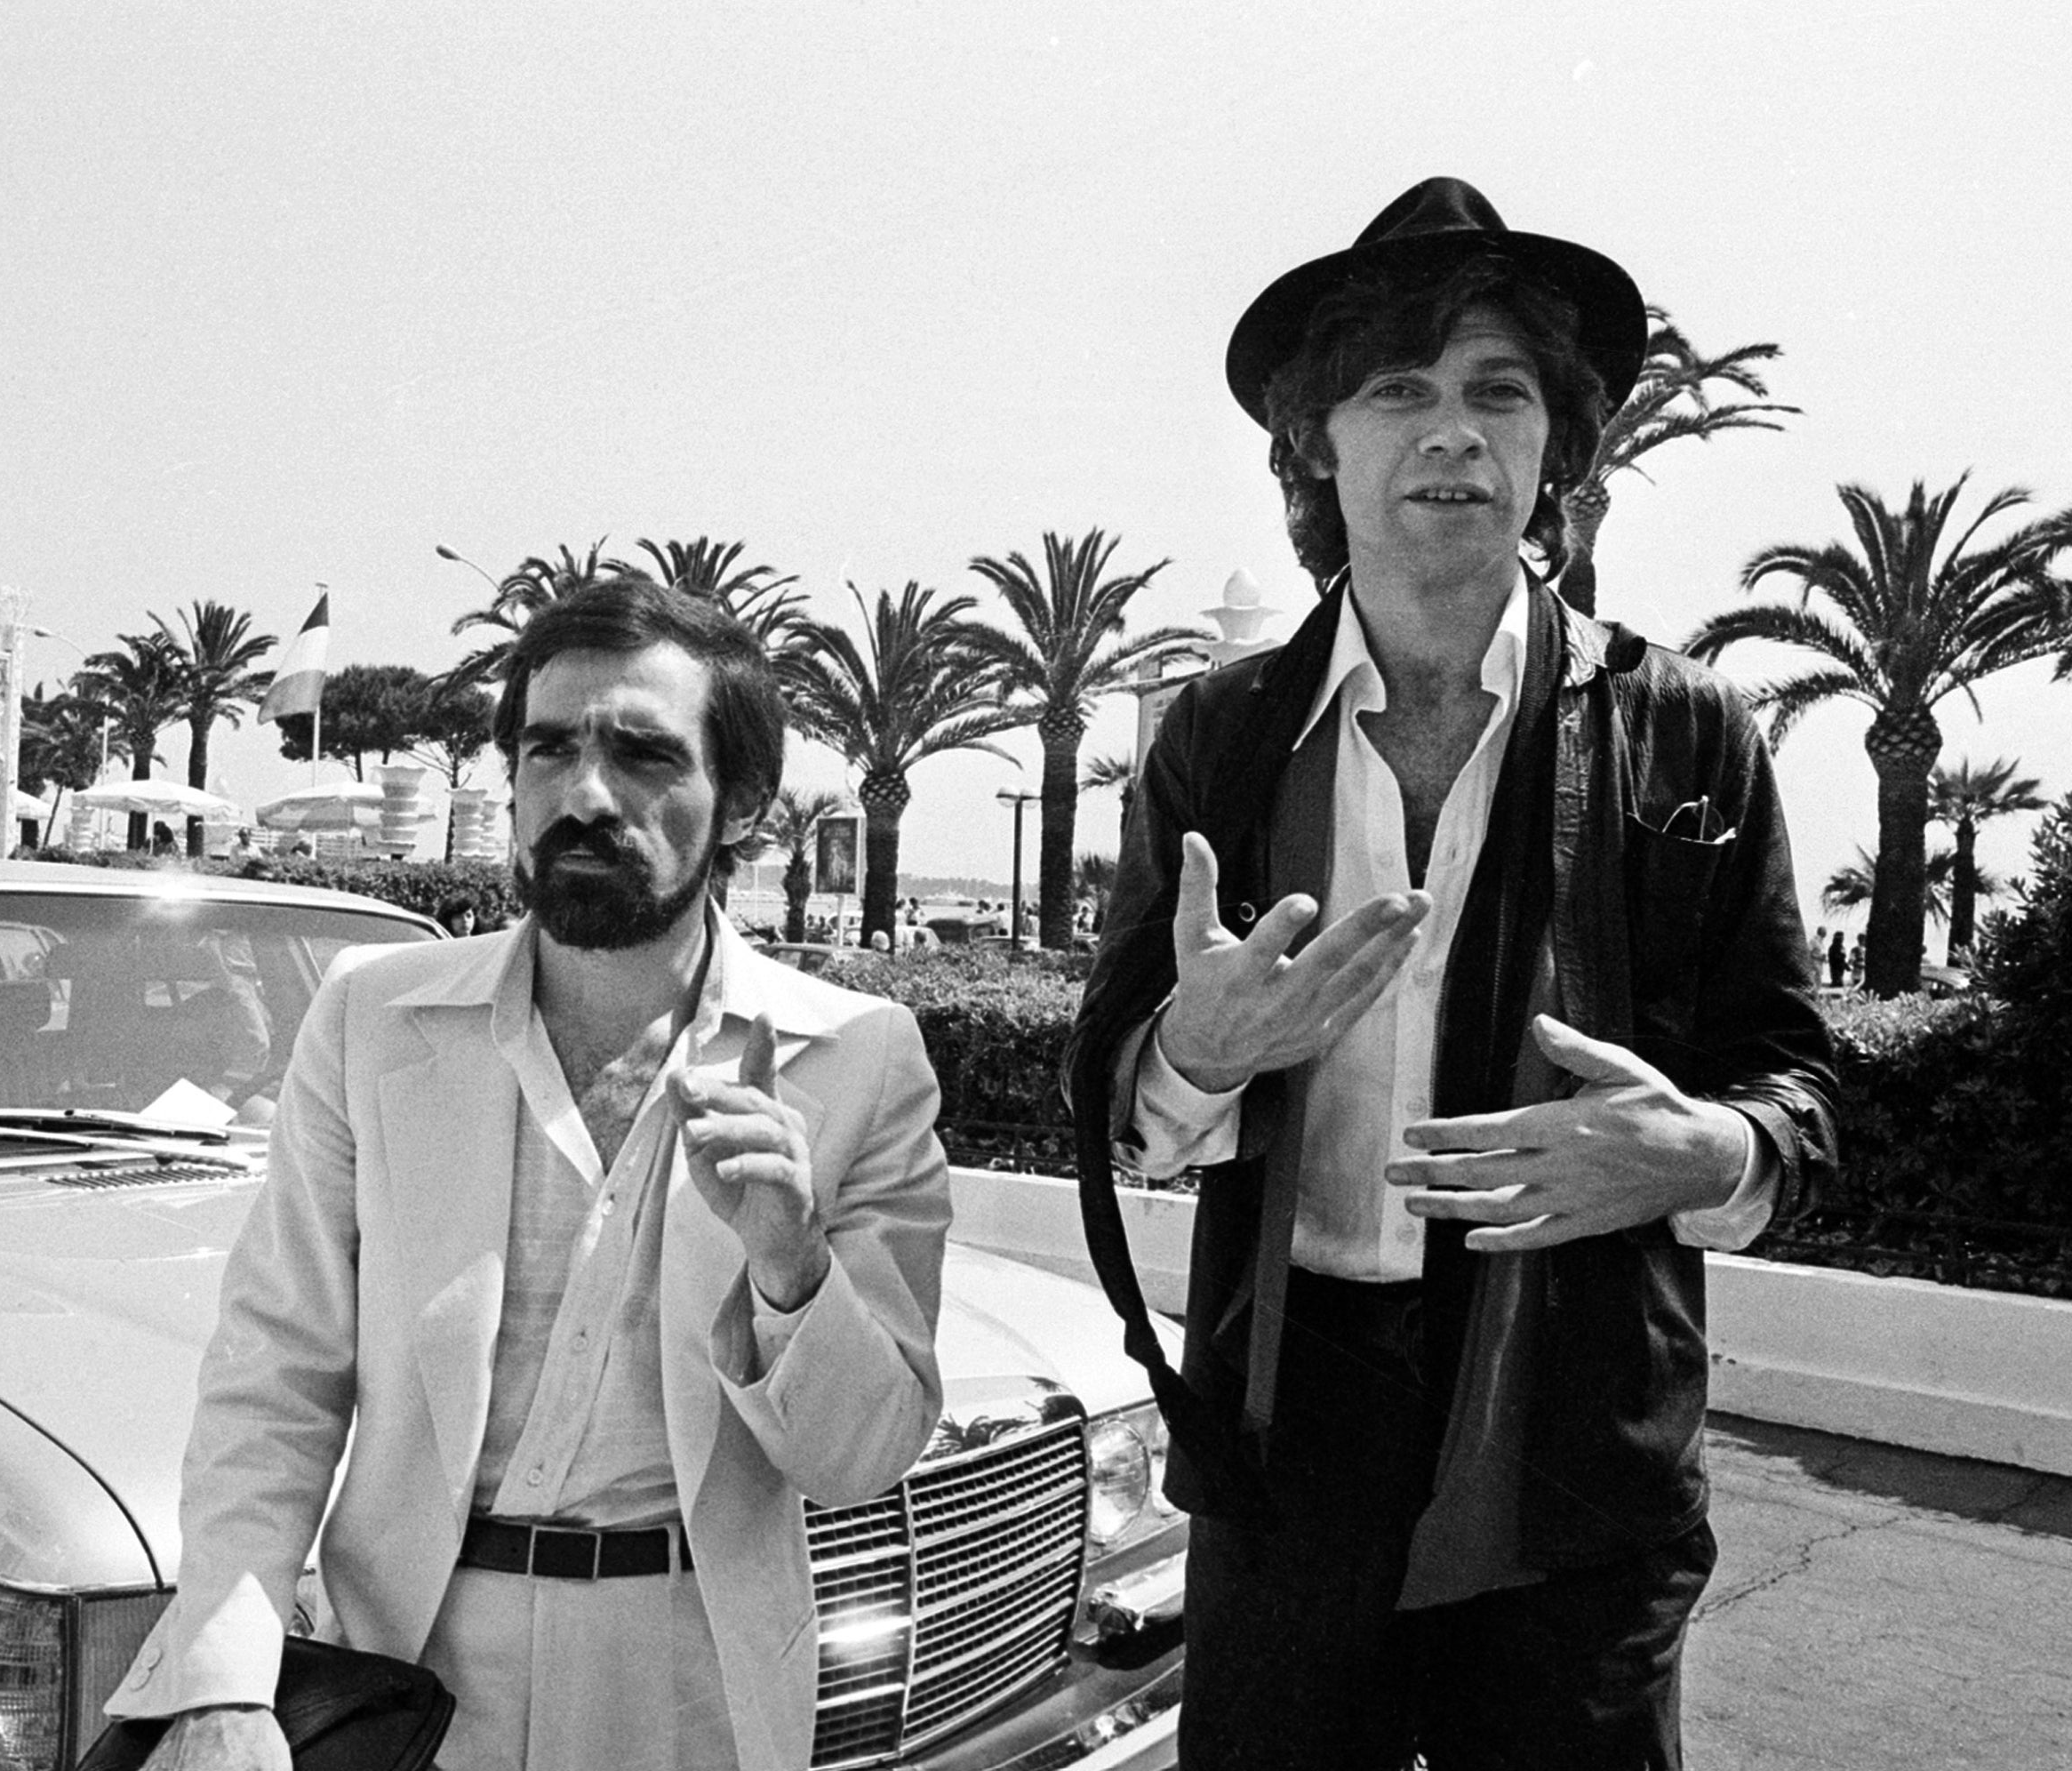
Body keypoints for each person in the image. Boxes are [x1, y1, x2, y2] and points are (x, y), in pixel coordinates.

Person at [1063, 178, 1839, 1769]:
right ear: (1315, 449)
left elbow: (1802, 1089)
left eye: (1502, 391)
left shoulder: (1682, 730)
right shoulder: (1217, 738)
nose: (1453, 433)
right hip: (1286, 1434)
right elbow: (1118, 1106)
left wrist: (1708, 1154)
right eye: (1397, 389)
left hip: (1572, 1447)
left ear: (1557, 447)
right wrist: (1194, 1055)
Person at [110, 575, 951, 1771]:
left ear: (744, 801)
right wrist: (224, 1683)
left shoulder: (858, 1061)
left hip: (687, 1688)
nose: (586, 793)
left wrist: (790, 1271)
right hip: (406, 1675)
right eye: (550, 748)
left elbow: (865, 1456)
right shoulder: (373, 1020)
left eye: (646, 755)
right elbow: (276, 1373)